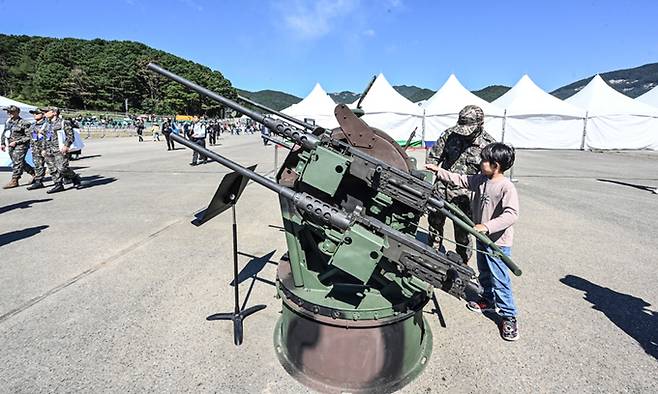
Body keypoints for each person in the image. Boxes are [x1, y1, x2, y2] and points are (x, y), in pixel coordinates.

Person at [426, 142, 520, 341]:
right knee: (484, 271)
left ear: (496, 165)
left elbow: (511, 215)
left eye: (485, 160)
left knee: (500, 278)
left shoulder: (506, 186)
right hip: (482, 238)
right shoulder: (481, 179)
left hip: (497, 242)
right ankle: (487, 299)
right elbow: (461, 179)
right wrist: (439, 171)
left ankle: (508, 316)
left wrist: (487, 226)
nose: (481, 162)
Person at [426, 105, 496, 265]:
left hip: (465, 199)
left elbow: (492, 177)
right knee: (434, 229)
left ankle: (462, 267)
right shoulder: (449, 135)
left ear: (480, 124)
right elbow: (433, 158)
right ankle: (431, 261)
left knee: (463, 236)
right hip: (440, 192)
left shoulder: (488, 145)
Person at [43, 107, 82, 193]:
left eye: (46, 111)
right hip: (49, 149)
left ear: (54, 112)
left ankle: (75, 178)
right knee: (52, 168)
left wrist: (66, 145)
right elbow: (45, 137)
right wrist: (44, 149)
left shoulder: (64, 122)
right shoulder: (47, 124)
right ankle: (58, 184)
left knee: (62, 168)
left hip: (60, 149)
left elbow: (70, 136)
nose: (44, 113)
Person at [1, 105, 35, 189]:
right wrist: (2, 143)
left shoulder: (24, 123)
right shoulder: (8, 121)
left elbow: (29, 137)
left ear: (17, 112)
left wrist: (17, 142)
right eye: (8, 112)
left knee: (17, 162)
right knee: (20, 162)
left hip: (21, 145)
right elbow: (5, 132)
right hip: (10, 145)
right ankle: (34, 173)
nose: (10, 113)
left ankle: (15, 180)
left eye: (12, 112)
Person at [26, 108, 51, 190]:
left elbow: (49, 137)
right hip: (36, 148)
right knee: (38, 165)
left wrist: (45, 148)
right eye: (33, 113)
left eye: (37, 113)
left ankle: (66, 178)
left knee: (53, 165)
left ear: (43, 115)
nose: (34, 115)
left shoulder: (47, 124)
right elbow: (32, 137)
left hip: (46, 148)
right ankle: (39, 182)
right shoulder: (32, 125)